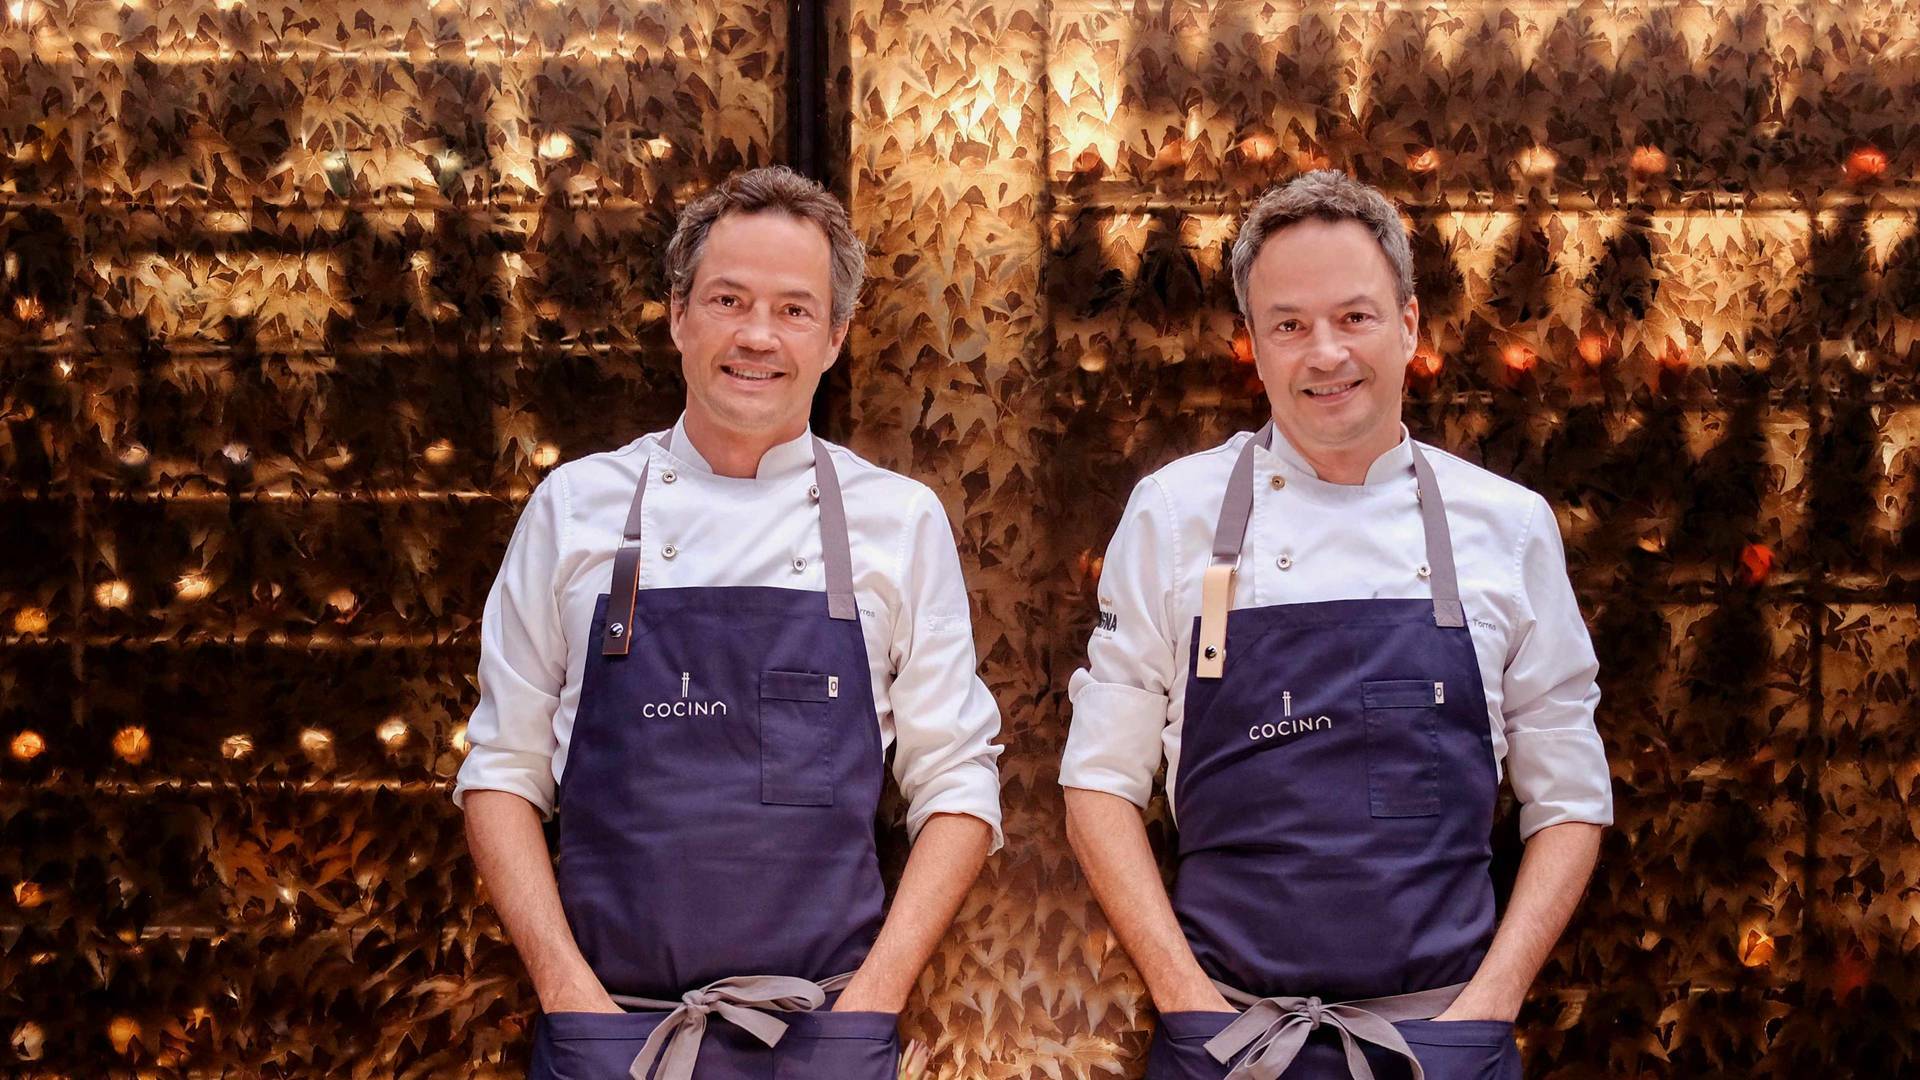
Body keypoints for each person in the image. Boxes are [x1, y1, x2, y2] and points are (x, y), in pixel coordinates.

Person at [1060, 170, 1612, 1080]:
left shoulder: (1508, 527)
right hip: (1229, 1046)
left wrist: (1487, 1010)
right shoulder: (1172, 516)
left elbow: (1572, 800)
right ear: (1254, 345)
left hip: (1441, 1046)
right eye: (1289, 325)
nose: (1325, 354)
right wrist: (1186, 1003)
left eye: (1354, 318)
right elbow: (1097, 785)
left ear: (1410, 326)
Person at [456, 165, 1004, 1080]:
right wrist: (570, 999)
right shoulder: (573, 508)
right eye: (727, 299)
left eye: (795, 310)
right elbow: (502, 773)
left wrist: (872, 1003)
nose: (758, 336)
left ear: (835, 337)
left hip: (820, 1038)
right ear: (678, 316)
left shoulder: (897, 521)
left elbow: (958, 787)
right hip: (614, 1041)